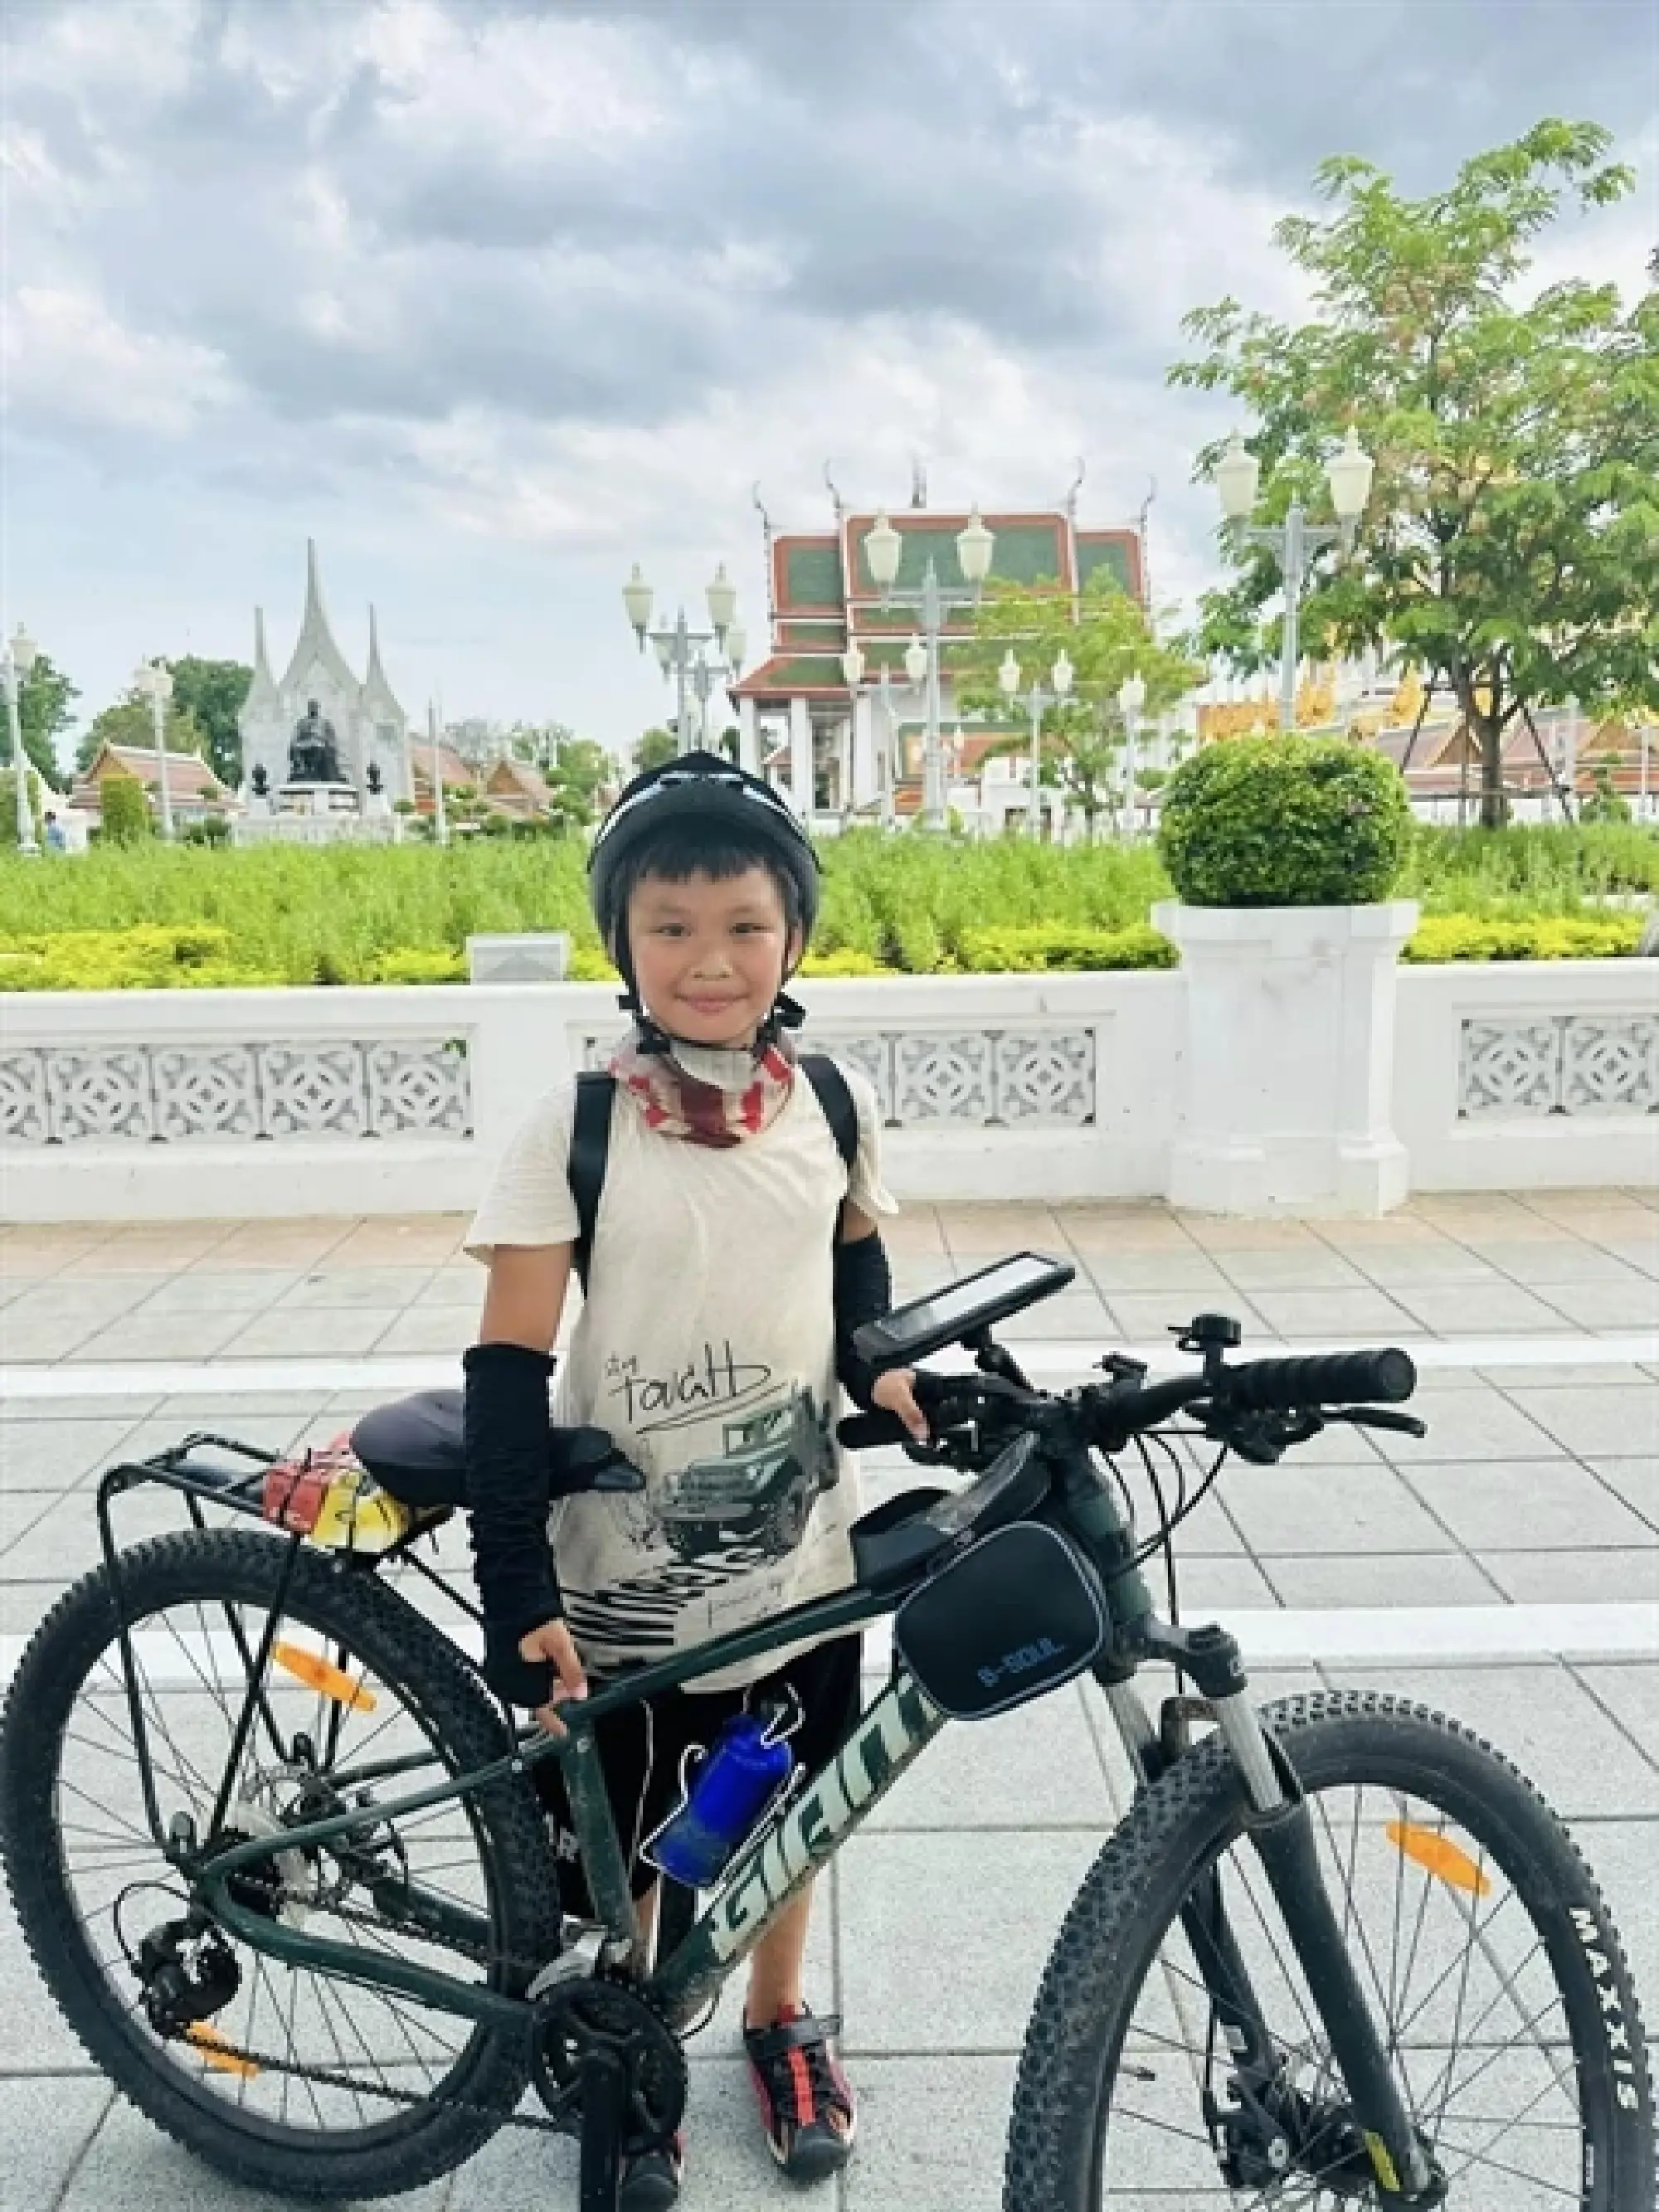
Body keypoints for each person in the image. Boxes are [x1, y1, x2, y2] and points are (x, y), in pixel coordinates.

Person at [462, 750, 927, 2208]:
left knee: (796, 1801)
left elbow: (854, 1263)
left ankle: (780, 2019)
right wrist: (514, 1583)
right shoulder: (578, 1124)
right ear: (624, 945)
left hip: (798, 1560)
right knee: (639, 1833)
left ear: (793, 935)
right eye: (670, 926)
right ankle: (637, 2033)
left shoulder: (831, 1102)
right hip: (626, 1572)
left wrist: (886, 1372)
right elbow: (504, 1367)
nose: (709, 959)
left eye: (742, 922)